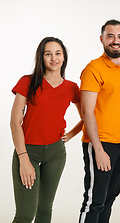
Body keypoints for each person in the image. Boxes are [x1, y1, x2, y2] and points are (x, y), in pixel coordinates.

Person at [10, 37, 83, 223]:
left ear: (64, 57)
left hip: (56, 153)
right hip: (28, 151)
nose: (53, 58)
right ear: (41, 57)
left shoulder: (71, 88)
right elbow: (14, 122)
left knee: (44, 209)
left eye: (58, 53)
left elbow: (87, 117)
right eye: (48, 54)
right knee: (25, 214)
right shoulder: (27, 82)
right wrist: (23, 158)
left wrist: (71, 134)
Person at [79, 19, 120, 223]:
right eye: (110, 36)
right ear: (102, 39)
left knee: (110, 199)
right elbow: (87, 111)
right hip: (101, 144)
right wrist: (99, 149)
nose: (115, 40)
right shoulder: (93, 68)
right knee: (94, 202)